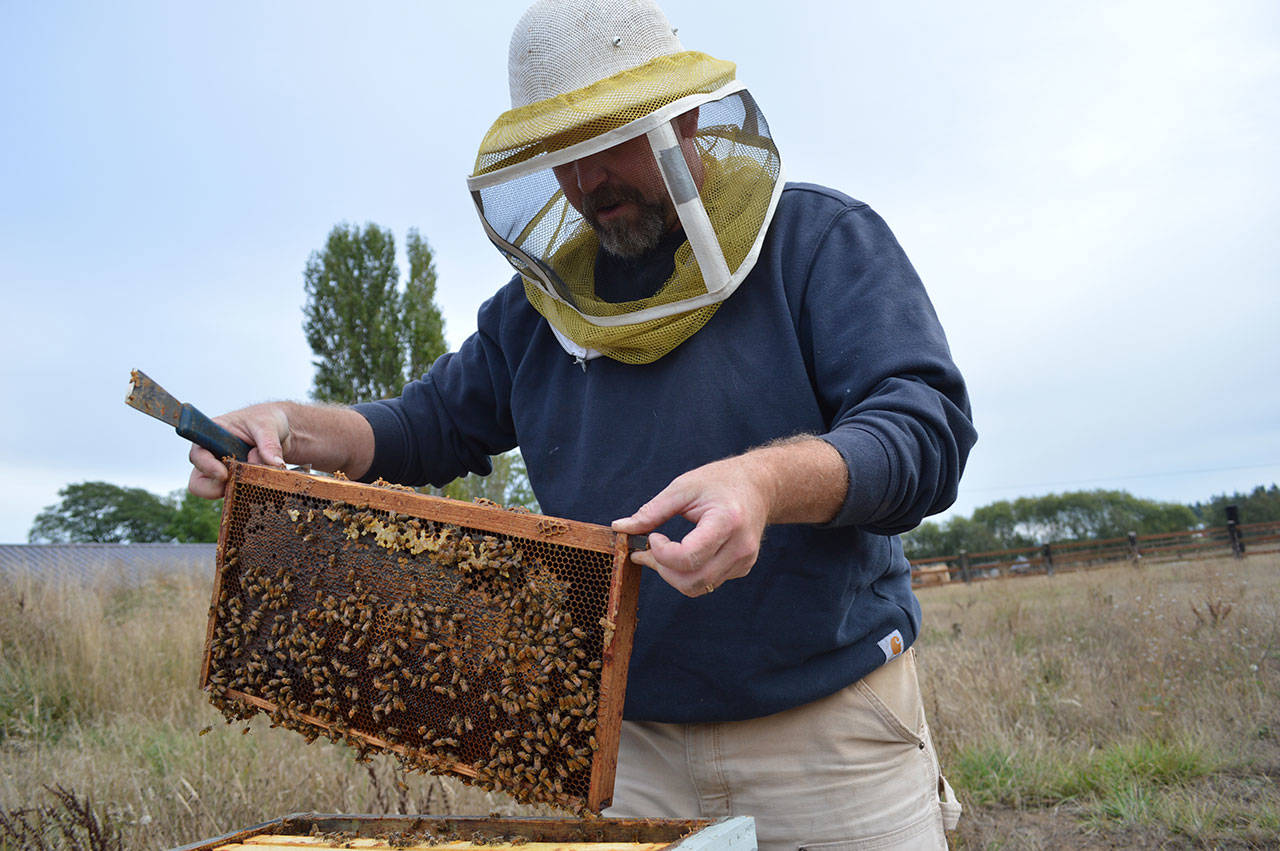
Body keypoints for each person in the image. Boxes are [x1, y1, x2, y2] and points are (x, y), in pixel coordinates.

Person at [188, 1, 976, 848]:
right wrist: (288, 428)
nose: (584, 179)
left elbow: (922, 428)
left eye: (609, 141)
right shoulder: (537, 313)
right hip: (621, 749)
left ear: (686, 117)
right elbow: (423, 424)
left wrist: (763, 481)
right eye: (559, 155)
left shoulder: (821, 242)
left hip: (828, 737)